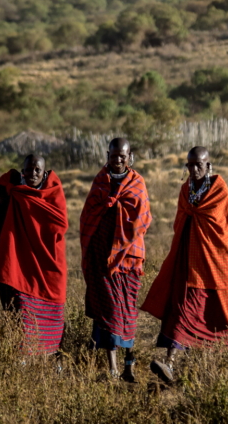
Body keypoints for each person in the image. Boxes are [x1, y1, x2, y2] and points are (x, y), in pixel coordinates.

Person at [140, 146, 228, 384]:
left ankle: (219, 369)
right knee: (181, 313)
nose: (194, 169)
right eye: (190, 165)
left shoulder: (219, 190)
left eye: (199, 165)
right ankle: (170, 364)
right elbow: (180, 224)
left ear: (209, 166)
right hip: (188, 265)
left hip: (214, 267)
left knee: (217, 317)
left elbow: (224, 229)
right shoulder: (185, 190)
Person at [0, 154, 68, 356]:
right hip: (19, 267)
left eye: (38, 170)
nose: (33, 173)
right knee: (21, 316)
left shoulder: (51, 194)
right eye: (29, 169)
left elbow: (60, 225)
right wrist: (6, 182)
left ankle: (48, 355)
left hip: (44, 265)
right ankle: (22, 361)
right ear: (23, 171)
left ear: (45, 173)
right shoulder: (14, 195)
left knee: (46, 319)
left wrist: (14, 190)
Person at [79, 138, 152, 381]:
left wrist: (117, 209)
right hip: (101, 257)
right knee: (108, 309)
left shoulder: (137, 183)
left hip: (128, 260)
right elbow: (88, 215)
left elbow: (142, 220)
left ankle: (129, 363)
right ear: (107, 155)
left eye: (122, 155)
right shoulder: (100, 181)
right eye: (113, 155)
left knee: (128, 310)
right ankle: (112, 367)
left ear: (130, 156)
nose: (117, 159)